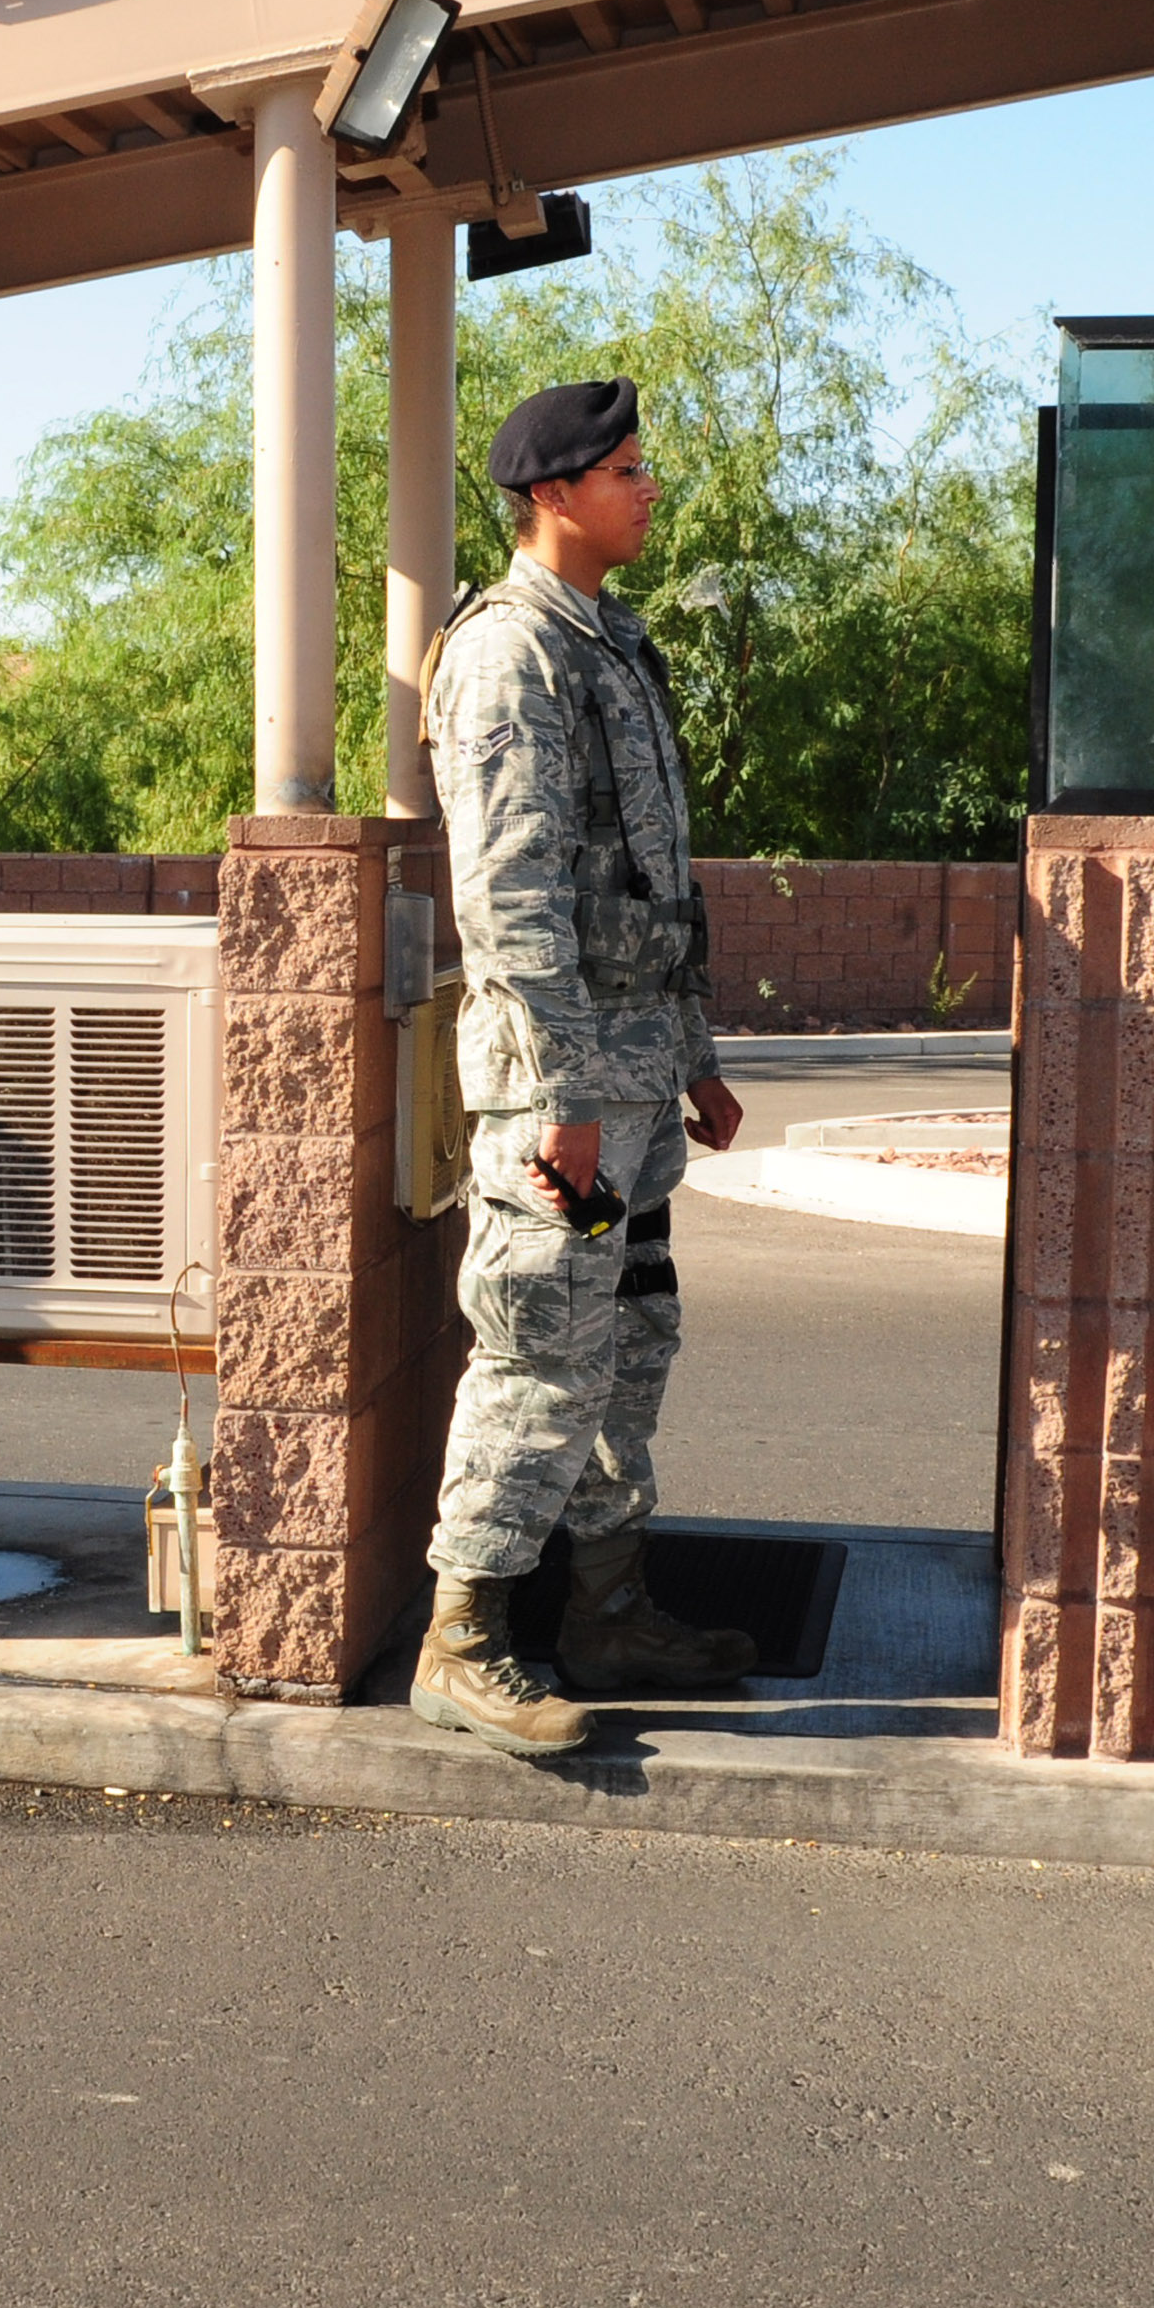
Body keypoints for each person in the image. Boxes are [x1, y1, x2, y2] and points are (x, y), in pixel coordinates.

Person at [410, 377, 762, 1758]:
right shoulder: (510, 656)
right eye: (626, 469)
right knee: (540, 1350)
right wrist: (561, 1093)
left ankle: (608, 1610)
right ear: (553, 494)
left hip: (628, 1092)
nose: (648, 488)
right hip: (558, 1103)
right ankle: (467, 1636)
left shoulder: (607, 639)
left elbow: (644, 881)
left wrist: (694, 1057)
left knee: (625, 1345)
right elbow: (509, 895)